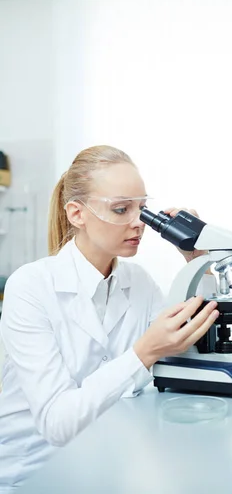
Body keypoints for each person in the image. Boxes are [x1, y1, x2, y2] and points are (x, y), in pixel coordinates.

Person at [0, 145, 219, 492]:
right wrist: (142, 352)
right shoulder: (30, 287)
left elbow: (186, 342)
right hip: (31, 474)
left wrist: (196, 258)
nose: (139, 223)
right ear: (76, 214)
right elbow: (57, 423)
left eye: (142, 209)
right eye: (121, 209)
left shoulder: (139, 282)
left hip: (106, 465)